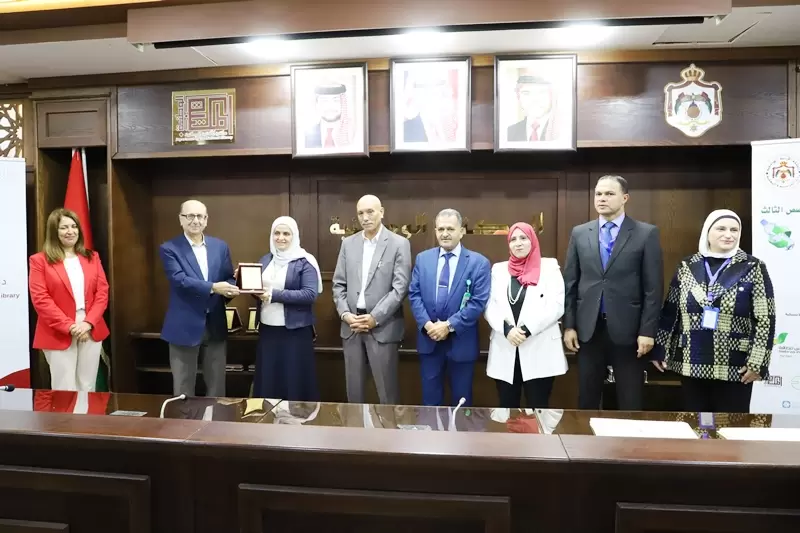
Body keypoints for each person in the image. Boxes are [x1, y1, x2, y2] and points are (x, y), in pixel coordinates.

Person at [652, 209, 775, 413]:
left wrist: (757, 363)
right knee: (695, 424)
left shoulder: (753, 267)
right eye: (721, 229)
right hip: (691, 360)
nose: (728, 235)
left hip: (735, 365)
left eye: (734, 230)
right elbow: (671, 312)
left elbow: (765, 319)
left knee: (731, 427)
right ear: (707, 232)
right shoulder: (687, 266)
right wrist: (660, 348)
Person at [563, 175, 664, 410]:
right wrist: (569, 326)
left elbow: (653, 288)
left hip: (630, 332)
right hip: (589, 330)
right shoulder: (580, 233)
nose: (602, 198)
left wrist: (647, 331)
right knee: (587, 399)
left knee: (630, 400)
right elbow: (571, 282)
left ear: (625, 198)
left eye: (609, 194)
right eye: (598, 194)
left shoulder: (645, 233)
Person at [332, 195, 412, 404]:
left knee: (387, 395)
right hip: (351, 327)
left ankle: (388, 428)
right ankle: (355, 428)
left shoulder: (399, 244)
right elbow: (338, 285)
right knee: (354, 395)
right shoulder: (348, 244)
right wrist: (345, 314)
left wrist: (375, 317)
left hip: (382, 328)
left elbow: (400, 288)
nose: (365, 217)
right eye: (360, 213)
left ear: (381, 212)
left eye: (370, 212)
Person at [408, 208, 491, 406]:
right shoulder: (423, 259)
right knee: (430, 402)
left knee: (461, 403)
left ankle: (460, 429)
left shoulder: (479, 263)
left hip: (461, 343)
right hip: (429, 341)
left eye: (450, 229)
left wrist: (448, 326)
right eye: (441, 229)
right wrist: (428, 325)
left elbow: (478, 302)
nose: (445, 234)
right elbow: (414, 294)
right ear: (435, 231)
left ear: (461, 231)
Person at [159, 199, 239, 397]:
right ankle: (184, 419)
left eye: (200, 216)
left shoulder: (220, 247)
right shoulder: (169, 248)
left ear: (206, 219)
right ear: (181, 219)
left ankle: (215, 419)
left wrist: (231, 287)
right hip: (184, 326)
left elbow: (228, 277)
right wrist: (214, 287)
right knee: (183, 389)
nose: (196, 220)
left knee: (217, 388)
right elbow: (179, 280)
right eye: (190, 216)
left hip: (215, 324)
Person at [484, 222, 567, 408]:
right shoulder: (498, 270)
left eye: (523, 238)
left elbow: (556, 305)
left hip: (540, 348)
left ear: (533, 240)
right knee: (507, 408)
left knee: (538, 408)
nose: (518, 243)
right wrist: (507, 330)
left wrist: (526, 330)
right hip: (506, 346)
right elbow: (489, 305)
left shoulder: (549, 267)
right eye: (513, 239)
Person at [29, 208, 109, 391]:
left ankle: (85, 413)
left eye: (74, 226)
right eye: (64, 227)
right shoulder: (39, 261)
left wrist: (88, 322)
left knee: (87, 386)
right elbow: (41, 299)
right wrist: (70, 326)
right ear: (54, 231)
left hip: (90, 325)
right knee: (64, 388)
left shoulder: (92, 257)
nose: (70, 231)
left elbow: (102, 292)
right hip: (58, 329)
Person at [253, 216, 323, 401]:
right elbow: (259, 291)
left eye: (286, 234)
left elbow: (309, 294)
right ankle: (269, 417)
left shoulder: (305, 261)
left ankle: (296, 418)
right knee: (269, 379)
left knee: (293, 380)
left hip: (295, 332)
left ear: (295, 236)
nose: (281, 238)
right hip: (268, 329)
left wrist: (274, 295)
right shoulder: (266, 259)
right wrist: (246, 283)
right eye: (276, 233)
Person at [506, 72, 558, 142]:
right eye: (526, 93)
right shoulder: (509, 132)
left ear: (551, 96)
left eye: (542, 92)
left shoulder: (562, 130)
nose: (534, 99)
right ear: (518, 97)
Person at [304, 82, 351, 149]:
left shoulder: (354, 133)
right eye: (324, 100)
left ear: (343, 103)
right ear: (317, 104)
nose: (330, 105)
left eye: (336, 100)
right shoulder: (307, 135)